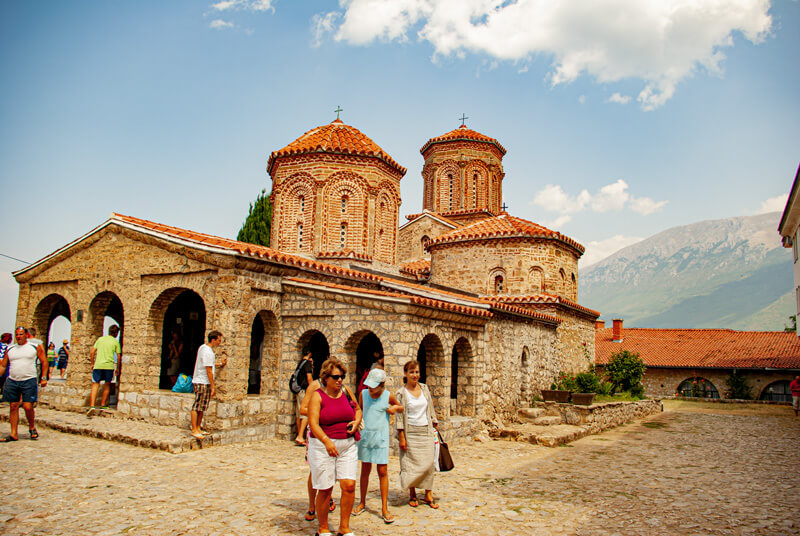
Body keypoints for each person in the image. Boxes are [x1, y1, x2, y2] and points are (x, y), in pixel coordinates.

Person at [307, 357, 362, 536]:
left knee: (349, 486)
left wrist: (356, 422)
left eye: (342, 376)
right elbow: (313, 423)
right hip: (323, 447)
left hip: (347, 445)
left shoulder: (346, 391)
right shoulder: (318, 395)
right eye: (335, 377)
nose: (339, 380)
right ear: (326, 378)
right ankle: (323, 528)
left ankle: (344, 527)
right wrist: (326, 441)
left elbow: (358, 409)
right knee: (325, 488)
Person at [352, 368, 403, 523]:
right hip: (366, 437)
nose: (371, 389)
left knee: (382, 472)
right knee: (365, 471)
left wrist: (394, 408)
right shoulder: (364, 394)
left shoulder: (388, 396)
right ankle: (362, 502)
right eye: (370, 386)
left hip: (380, 438)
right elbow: (360, 410)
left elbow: (400, 407)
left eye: (374, 386)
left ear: (382, 385)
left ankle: (384, 508)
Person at [396, 359, 439, 509]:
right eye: (412, 372)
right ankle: (412, 493)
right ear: (406, 374)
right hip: (410, 433)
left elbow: (430, 407)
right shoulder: (401, 393)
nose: (415, 375)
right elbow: (399, 416)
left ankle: (428, 493)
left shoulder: (425, 389)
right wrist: (401, 437)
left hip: (425, 431)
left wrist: (435, 422)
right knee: (411, 465)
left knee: (429, 464)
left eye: (417, 372)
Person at [299, 374, 337, 522]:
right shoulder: (315, 386)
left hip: (332, 433)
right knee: (315, 470)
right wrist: (320, 412)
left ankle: (328, 497)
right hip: (316, 433)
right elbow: (303, 409)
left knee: (330, 467)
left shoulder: (337, 387)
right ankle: (311, 505)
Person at [0, 327, 48, 442]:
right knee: (13, 406)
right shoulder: (10, 348)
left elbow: (44, 361)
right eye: (16, 334)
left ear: (26, 335)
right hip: (13, 380)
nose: (18, 336)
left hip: (29, 379)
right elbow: (3, 365)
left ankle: (31, 427)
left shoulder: (34, 347)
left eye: (21, 334)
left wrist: (44, 377)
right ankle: (13, 433)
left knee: (27, 406)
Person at [190, 330, 226, 440]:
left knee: (202, 406)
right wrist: (213, 386)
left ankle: (198, 427)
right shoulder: (208, 352)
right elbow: (209, 370)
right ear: (213, 340)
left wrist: (220, 364)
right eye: (219, 340)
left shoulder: (203, 348)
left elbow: (208, 363)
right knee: (197, 406)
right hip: (202, 381)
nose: (220, 343)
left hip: (203, 381)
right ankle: (194, 429)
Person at [87, 325, 122, 414]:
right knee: (107, 385)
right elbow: (118, 357)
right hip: (109, 366)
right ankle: (103, 404)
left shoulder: (100, 339)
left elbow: (92, 352)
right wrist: (117, 368)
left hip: (98, 365)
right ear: (116, 333)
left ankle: (92, 405)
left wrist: (92, 363)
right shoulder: (115, 342)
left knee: (95, 384)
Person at [294, 346, 314, 446]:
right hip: (304, 391)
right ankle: (301, 436)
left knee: (299, 414)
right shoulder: (307, 364)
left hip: (298, 391)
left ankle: (299, 435)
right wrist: (313, 389)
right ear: (309, 353)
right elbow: (309, 377)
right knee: (305, 413)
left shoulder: (300, 363)